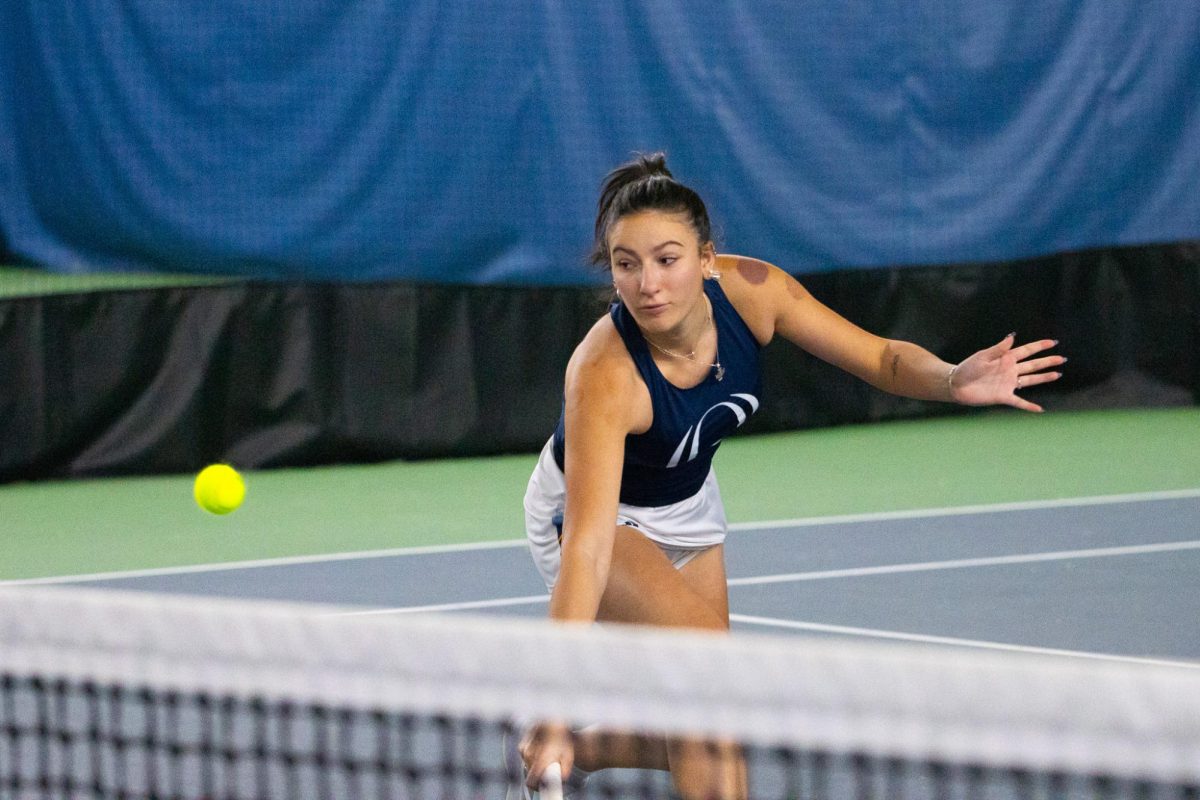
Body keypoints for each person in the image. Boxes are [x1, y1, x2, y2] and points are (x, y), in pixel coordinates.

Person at [516, 153, 1064, 800]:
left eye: (668, 259)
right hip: (589, 516)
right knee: (709, 674)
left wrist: (951, 379)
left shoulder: (755, 293)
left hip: (688, 503)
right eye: (626, 264)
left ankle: (576, 751)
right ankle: (556, 734)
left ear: (708, 259)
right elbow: (587, 545)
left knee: (717, 716)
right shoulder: (603, 374)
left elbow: (883, 359)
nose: (648, 284)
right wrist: (552, 701)